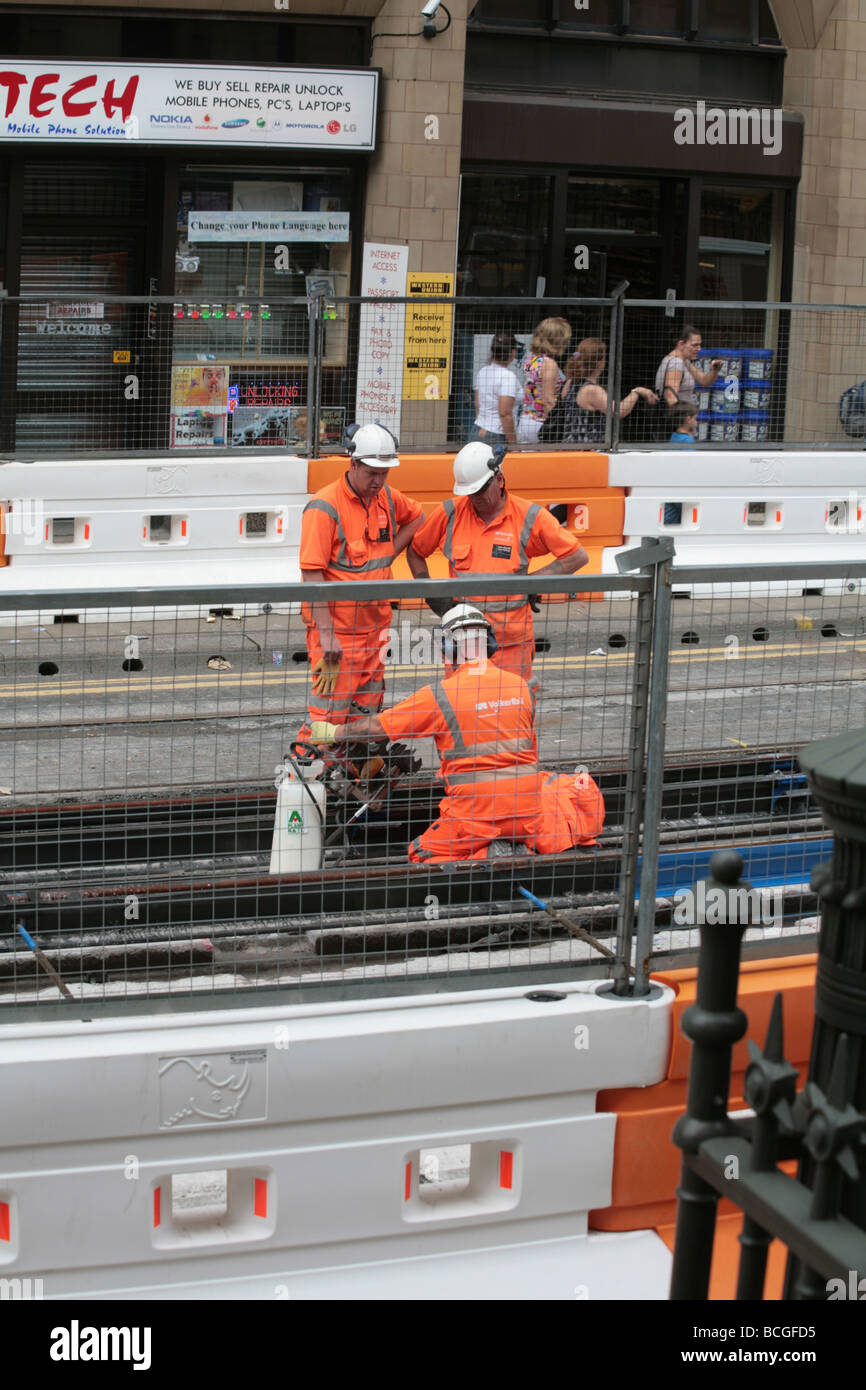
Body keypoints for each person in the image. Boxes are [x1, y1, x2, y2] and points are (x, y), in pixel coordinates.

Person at [310, 605, 604, 863]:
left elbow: (379, 727)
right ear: (489, 644)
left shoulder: (439, 696)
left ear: (448, 648)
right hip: (527, 810)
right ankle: (517, 848)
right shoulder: (522, 687)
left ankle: (491, 855)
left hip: (476, 815)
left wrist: (335, 730)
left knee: (422, 854)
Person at [406, 441, 589, 683]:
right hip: (465, 637)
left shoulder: (528, 516)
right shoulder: (450, 513)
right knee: (462, 709)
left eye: (481, 491)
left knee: (511, 711)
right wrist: (430, 592)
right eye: (470, 494)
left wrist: (532, 584)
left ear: (499, 479)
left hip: (511, 644)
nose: (476, 499)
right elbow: (416, 551)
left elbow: (577, 556)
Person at [299, 422, 424, 737]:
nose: (379, 481)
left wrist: (388, 554)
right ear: (353, 464)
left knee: (365, 718)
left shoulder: (385, 497)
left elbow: (418, 517)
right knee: (327, 719)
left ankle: (351, 779)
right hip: (338, 636)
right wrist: (326, 636)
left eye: (385, 474)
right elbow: (311, 573)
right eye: (372, 473)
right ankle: (307, 776)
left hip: (375, 630)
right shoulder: (325, 507)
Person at [561, 338, 658, 444]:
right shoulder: (593, 390)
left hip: (569, 446)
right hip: (587, 451)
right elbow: (618, 411)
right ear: (599, 363)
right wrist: (637, 391)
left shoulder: (569, 383)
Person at [517, 316, 571, 445]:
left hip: (526, 420)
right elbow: (547, 401)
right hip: (541, 423)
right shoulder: (549, 364)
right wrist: (553, 428)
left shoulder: (532, 358)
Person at [470, 331, 521, 445]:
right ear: (513, 352)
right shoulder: (508, 376)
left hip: (477, 429)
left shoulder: (483, 371)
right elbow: (504, 413)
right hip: (496, 435)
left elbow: (477, 404)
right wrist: (513, 443)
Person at [655, 325, 722, 410]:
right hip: (679, 421)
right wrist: (685, 419)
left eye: (700, 345)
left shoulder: (684, 361)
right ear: (681, 344)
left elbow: (704, 381)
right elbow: (670, 398)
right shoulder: (676, 364)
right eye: (695, 345)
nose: (699, 349)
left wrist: (714, 371)